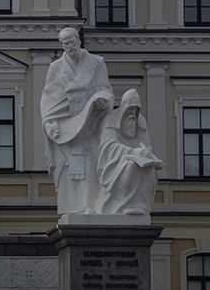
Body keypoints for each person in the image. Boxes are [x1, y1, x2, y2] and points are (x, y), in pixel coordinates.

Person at [41, 27, 113, 215]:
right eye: (65, 45)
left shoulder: (96, 63)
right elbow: (49, 97)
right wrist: (49, 122)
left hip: (91, 123)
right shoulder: (56, 68)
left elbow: (105, 88)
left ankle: (90, 205)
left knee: (91, 165)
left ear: (78, 41)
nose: (69, 47)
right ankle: (72, 208)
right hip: (67, 125)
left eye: (71, 43)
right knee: (69, 168)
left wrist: (101, 100)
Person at [96, 88, 163, 215]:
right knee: (131, 165)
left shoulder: (140, 121)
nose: (133, 113)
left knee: (150, 167)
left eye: (136, 110)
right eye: (130, 109)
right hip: (114, 163)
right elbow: (108, 146)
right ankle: (123, 204)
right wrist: (133, 152)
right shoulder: (110, 119)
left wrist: (152, 158)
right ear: (124, 107)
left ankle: (140, 205)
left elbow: (146, 145)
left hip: (137, 157)